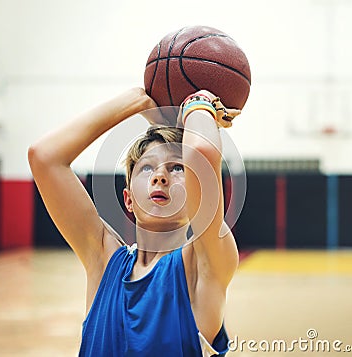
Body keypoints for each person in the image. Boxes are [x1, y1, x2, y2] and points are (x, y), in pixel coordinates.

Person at [28, 87, 241, 356]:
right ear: (128, 199)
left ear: (194, 192)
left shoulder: (202, 263)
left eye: (176, 168)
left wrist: (199, 102)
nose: (160, 176)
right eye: (147, 167)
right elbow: (44, 156)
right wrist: (139, 100)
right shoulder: (104, 261)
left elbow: (201, 152)